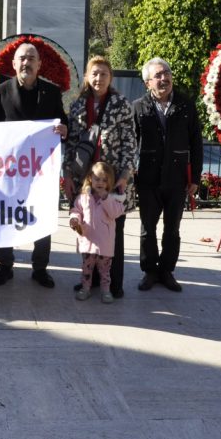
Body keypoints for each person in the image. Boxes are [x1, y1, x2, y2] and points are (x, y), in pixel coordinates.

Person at [0, 41, 68, 288]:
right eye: (22, 58)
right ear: (14, 63)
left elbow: (63, 124)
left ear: (39, 64)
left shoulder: (52, 92)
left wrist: (64, 129)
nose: (26, 63)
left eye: (31, 58)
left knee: (42, 217)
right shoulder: (1, 91)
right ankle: (5, 266)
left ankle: (40, 268)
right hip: (9, 170)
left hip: (41, 171)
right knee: (6, 217)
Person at [64, 55, 136, 298]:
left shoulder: (121, 104)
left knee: (113, 232)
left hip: (112, 180)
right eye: (94, 73)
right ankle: (90, 280)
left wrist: (124, 175)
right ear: (87, 76)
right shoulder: (77, 106)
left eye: (104, 74)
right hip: (86, 180)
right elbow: (71, 144)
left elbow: (129, 142)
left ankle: (114, 283)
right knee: (88, 229)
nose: (99, 78)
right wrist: (68, 174)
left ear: (110, 77)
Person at [131, 57, 202, 293]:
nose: (164, 78)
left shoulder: (186, 105)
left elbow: (196, 143)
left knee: (172, 229)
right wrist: (130, 175)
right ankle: (150, 271)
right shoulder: (138, 107)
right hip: (148, 179)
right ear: (148, 82)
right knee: (147, 229)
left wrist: (195, 178)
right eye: (158, 75)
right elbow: (130, 144)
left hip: (176, 178)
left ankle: (166, 271)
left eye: (167, 73)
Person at [69, 161, 125, 303]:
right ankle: (85, 288)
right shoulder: (83, 197)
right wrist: (74, 219)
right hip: (88, 241)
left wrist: (105, 198)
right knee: (86, 269)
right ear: (90, 178)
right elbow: (76, 210)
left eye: (104, 180)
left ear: (109, 182)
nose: (100, 182)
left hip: (104, 244)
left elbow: (115, 213)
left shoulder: (113, 199)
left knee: (105, 271)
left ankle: (106, 291)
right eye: (97, 179)